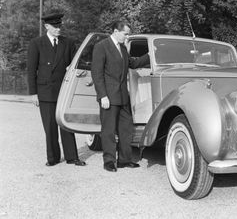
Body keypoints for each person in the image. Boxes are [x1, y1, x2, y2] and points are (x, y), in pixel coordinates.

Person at [27, 13, 86, 167]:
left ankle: (72, 157)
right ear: (46, 26)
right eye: (55, 26)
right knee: (50, 126)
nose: (58, 29)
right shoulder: (37, 43)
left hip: (64, 91)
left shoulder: (69, 43)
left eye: (60, 26)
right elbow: (31, 70)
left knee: (66, 124)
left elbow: (76, 64)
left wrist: (71, 68)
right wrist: (33, 93)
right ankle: (52, 158)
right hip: (45, 91)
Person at [91, 20, 149, 172]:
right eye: (125, 34)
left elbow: (133, 64)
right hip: (108, 97)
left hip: (123, 97)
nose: (127, 37)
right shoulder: (101, 46)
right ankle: (109, 161)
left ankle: (124, 160)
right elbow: (97, 74)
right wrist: (102, 95)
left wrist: (151, 55)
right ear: (116, 31)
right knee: (108, 130)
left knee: (126, 129)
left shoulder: (122, 48)